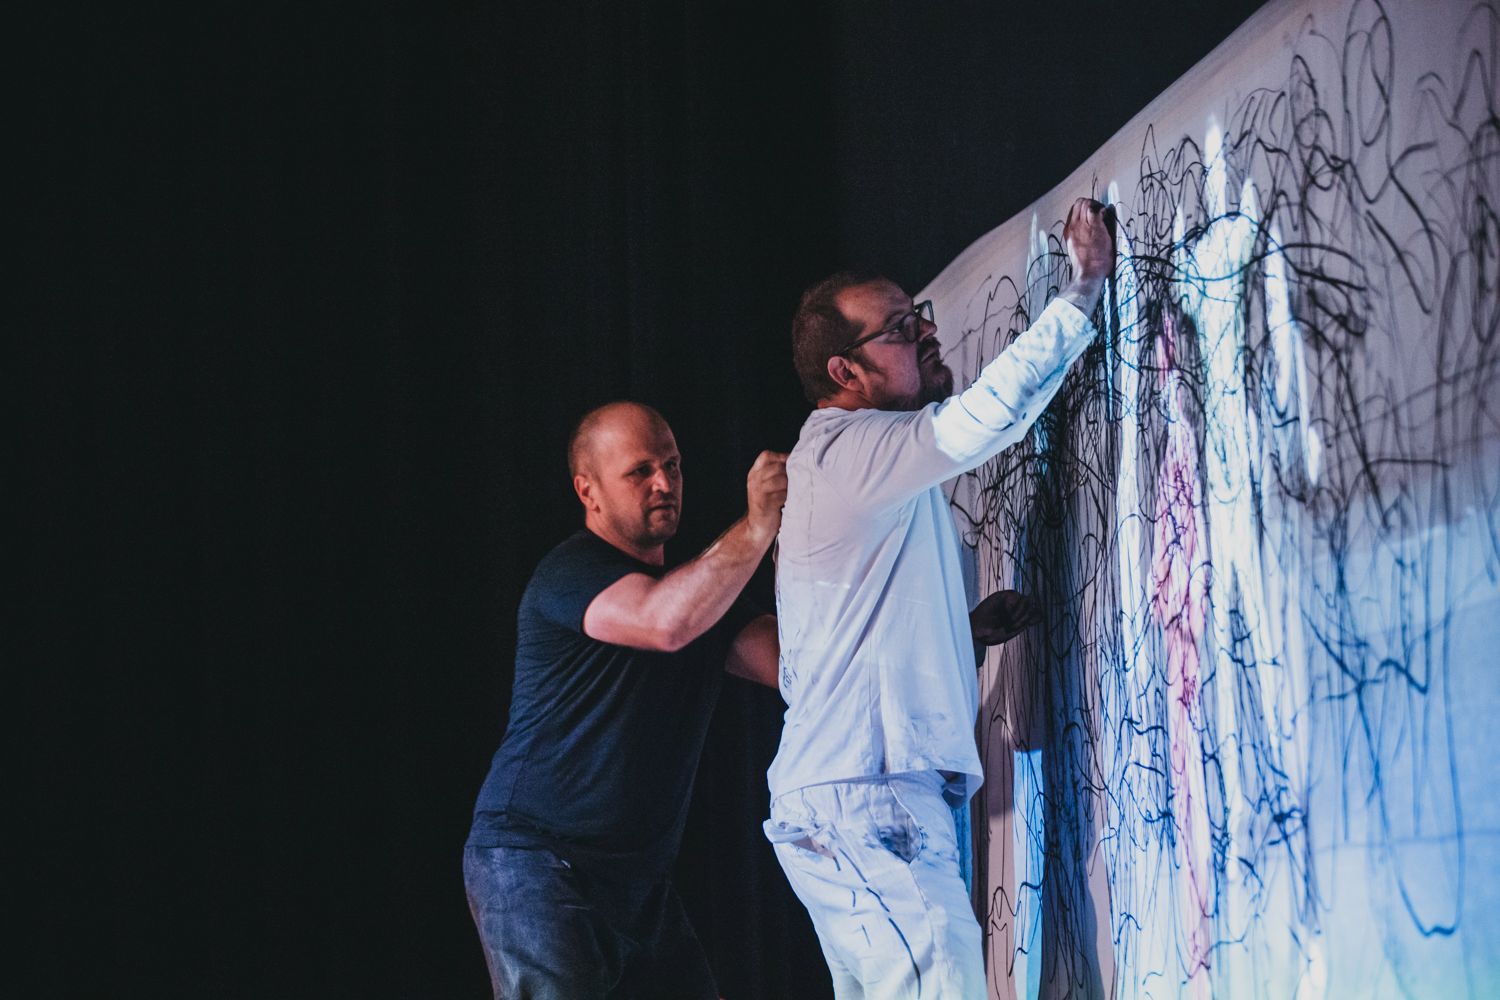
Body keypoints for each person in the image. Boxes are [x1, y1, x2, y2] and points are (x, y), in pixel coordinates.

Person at [766, 197, 1116, 997]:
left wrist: (959, 633)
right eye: (898, 329)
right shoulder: (852, 447)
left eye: (918, 315)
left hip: (857, 799)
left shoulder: (853, 462)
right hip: (868, 797)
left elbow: (849, 621)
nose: (926, 332)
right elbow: (981, 420)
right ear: (843, 373)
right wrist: (1083, 290)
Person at [463, 400, 787, 1000]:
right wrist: (758, 525)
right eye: (640, 471)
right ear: (588, 491)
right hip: (538, 861)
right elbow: (663, 622)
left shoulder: (698, 595)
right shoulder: (570, 572)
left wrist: (952, 627)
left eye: (673, 465)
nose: (664, 483)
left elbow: (800, 666)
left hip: (638, 884)